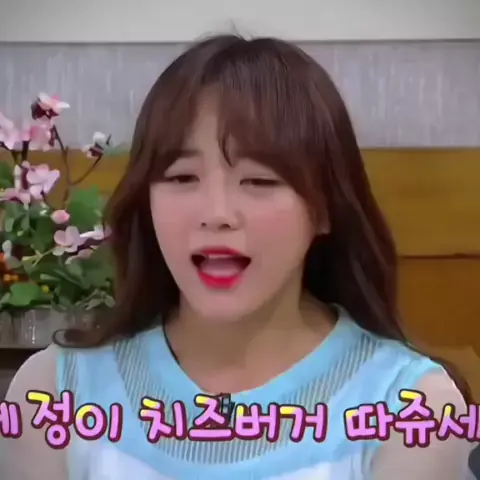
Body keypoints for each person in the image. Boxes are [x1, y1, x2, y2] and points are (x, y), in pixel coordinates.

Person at [0, 34, 475, 479]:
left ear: (325, 209)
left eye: (260, 181)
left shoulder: (413, 408)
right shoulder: (53, 392)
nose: (218, 214)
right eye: (182, 177)